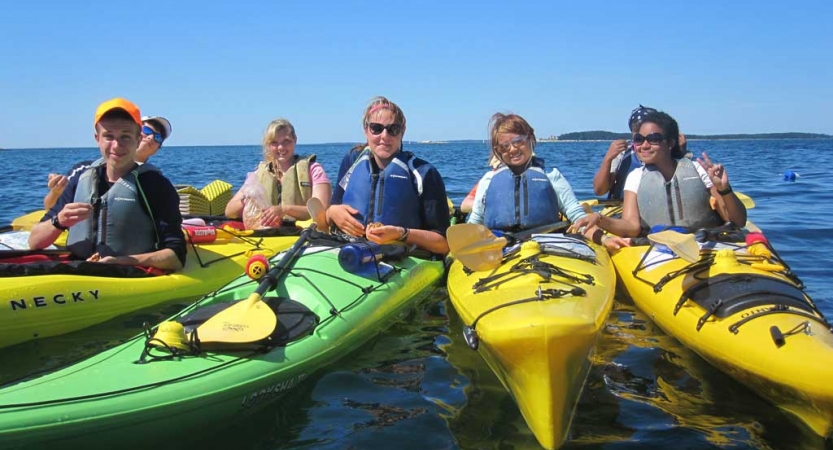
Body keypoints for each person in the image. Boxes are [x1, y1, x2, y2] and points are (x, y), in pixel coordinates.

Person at [29, 98, 186, 271]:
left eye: (125, 137)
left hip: (127, 275)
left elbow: (176, 256)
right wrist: (59, 221)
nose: (116, 145)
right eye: (108, 136)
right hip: (76, 270)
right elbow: (34, 242)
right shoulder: (81, 178)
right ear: (97, 138)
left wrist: (124, 261)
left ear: (137, 138)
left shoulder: (156, 186)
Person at [570, 111, 746, 238]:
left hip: (705, 240)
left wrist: (724, 190)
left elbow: (737, 221)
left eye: (653, 139)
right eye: (639, 140)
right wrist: (600, 219)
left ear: (670, 142)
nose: (644, 145)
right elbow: (631, 227)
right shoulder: (635, 177)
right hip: (662, 248)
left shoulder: (697, 169)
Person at [468, 113, 618, 249]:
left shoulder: (552, 176)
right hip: (500, 247)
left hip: (546, 245)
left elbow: (578, 217)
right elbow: (475, 222)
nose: (512, 149)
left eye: (518, 141)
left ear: (531, 139)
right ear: (497, 150)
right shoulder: (488, 181)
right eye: (504, 146)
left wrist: (604, 239)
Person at [327, 96, 450, 255]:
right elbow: (329, 213)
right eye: (376, 128)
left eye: (393, 129)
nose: (385, 136)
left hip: (398, 256)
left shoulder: (425, 173)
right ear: (366, 130)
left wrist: (401, 233)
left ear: (402, 132)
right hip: (346, 249)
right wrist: (332, 212)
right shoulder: (351, 161)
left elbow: (443, 244)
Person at [43, 115, 173, 210]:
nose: (150, 137)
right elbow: (51, 209)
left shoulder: (156, 183)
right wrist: (56, 192)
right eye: (147, 130)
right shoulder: (83, 171)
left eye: (157, 137)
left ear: (158, 148)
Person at [225, 118, 332, 225]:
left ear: (295, 140)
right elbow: (229, 211)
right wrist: (248, 201)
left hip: (303, 233)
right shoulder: (258, 174)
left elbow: (321, 211)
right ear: (268, 145)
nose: (280, 147)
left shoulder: (314, 170)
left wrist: (284, 210)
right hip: (268, 234)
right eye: (274, 143)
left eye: (286, 141)